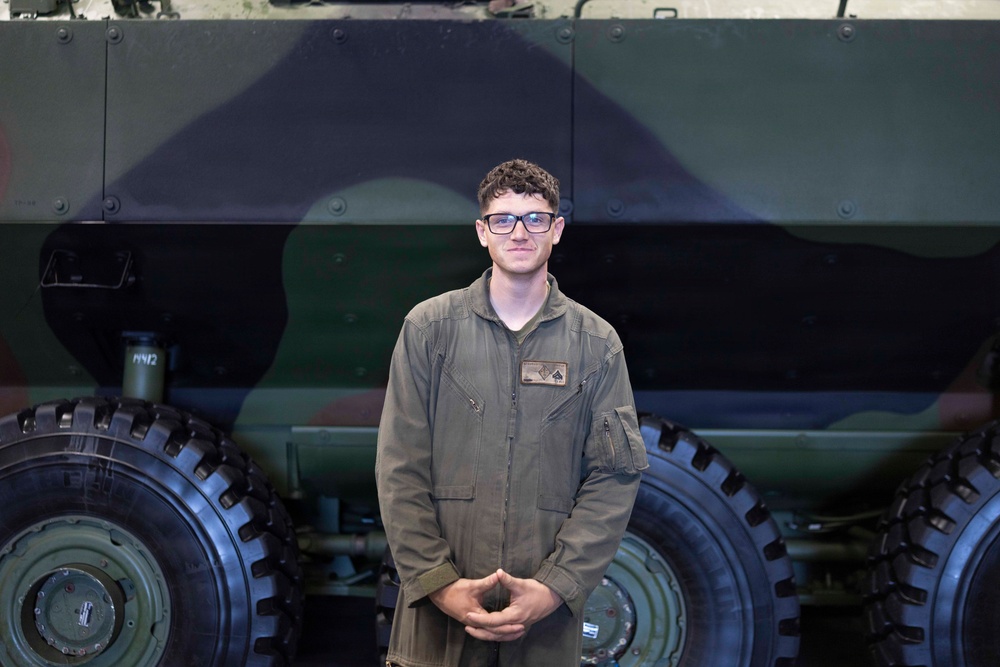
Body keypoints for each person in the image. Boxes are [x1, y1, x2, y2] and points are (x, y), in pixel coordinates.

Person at [376, 158, 647, 667]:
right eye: (503, 219)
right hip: (439, 628)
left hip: (543, 627)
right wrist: (440, 585)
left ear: (556, 229)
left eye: (535, 218)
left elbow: (613, 479)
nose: (518, 232)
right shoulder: (430, 331)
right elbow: (399, 470)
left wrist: (554, 588)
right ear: (482, 232)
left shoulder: (596, 345)